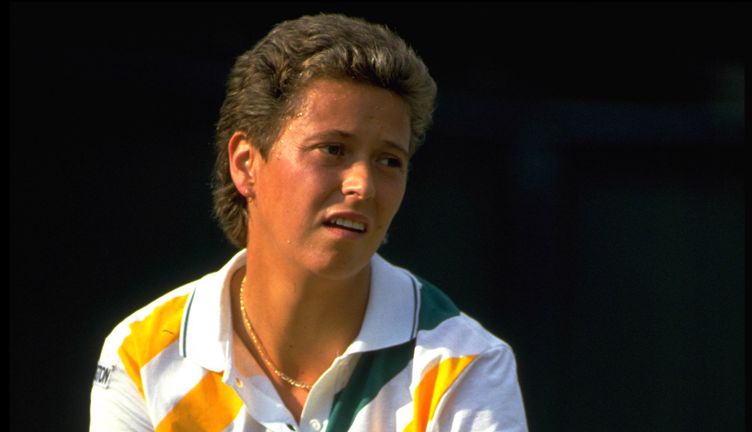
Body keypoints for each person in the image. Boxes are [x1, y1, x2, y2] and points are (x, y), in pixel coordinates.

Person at [90, 13, 528, 431]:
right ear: (246, 164)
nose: (364, 185)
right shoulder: (143, 354)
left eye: (390, 160)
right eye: (333, 149)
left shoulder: (467, 364)